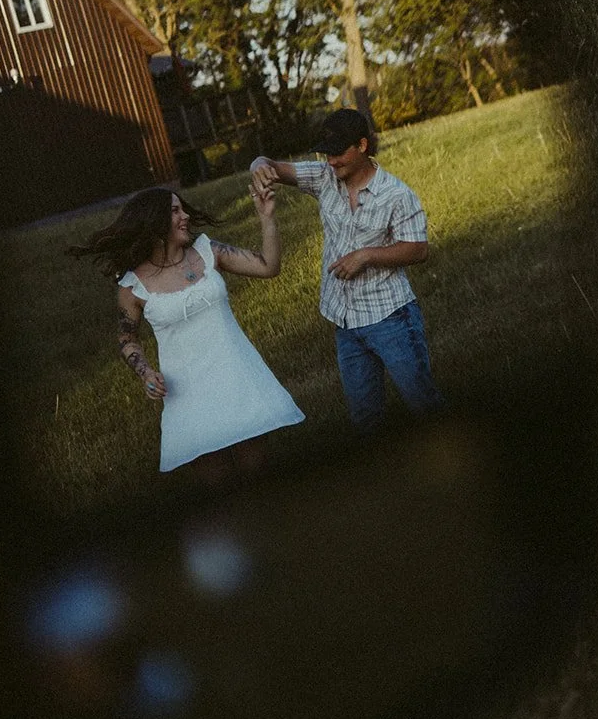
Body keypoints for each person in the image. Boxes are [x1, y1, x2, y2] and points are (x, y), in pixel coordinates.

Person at [71, 184, 304, 483]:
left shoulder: (210, 251)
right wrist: (145, 373)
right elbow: (127, 338)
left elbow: (269, 267)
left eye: (183, 209)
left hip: (238, 380)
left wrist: (267, 217)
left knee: (257, 475)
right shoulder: (132, 287)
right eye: (175, 211)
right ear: (154, 222)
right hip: (188, 395)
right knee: (218, 488)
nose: (186, 217)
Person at [250, 108, 443, 433]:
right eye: (327, 153)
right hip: (345, 322)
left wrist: (367, 255)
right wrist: (258, 165)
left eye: (339, 153)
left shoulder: (396, 195)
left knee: (423, 403)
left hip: (391, 318)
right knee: (365, 419)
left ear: (363, 145)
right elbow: (271, 166)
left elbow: (418, 249)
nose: (332, 161)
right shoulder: (324, 178)